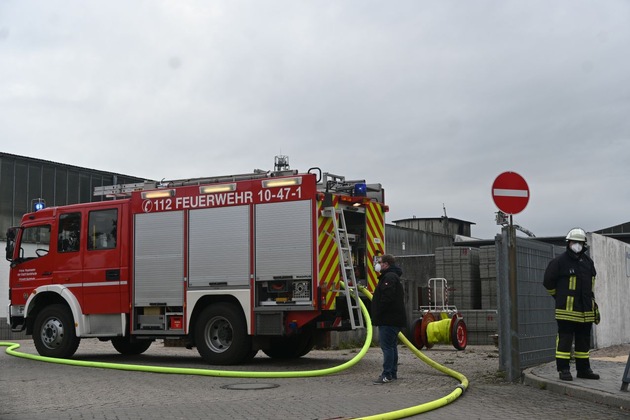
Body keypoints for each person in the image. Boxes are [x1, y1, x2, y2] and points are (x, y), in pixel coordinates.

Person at [543, 228, 599, 381]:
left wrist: (593, 305)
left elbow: (591, 286)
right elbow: (548, 282)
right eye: (574, 242)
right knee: (565, 342)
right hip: (566, 312)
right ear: (568, 243)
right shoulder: (559, 262)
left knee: (583, 343)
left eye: (580, 243)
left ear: (584, 245)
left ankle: (584, 370)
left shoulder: (588, 263)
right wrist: (559, 297)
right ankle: (564, 370)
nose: (577, 245)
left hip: (586, 312)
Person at [371, 254, 406, 384]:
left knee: (387, 347)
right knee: (391, 346)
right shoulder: (391, 277)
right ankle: (392, 373)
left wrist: (378, 312)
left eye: (380, 262)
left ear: (386, 264)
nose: (378, 264)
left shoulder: (389, 277)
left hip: (389, 319)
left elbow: (387, 298)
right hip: (393, 319)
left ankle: (387, 374)